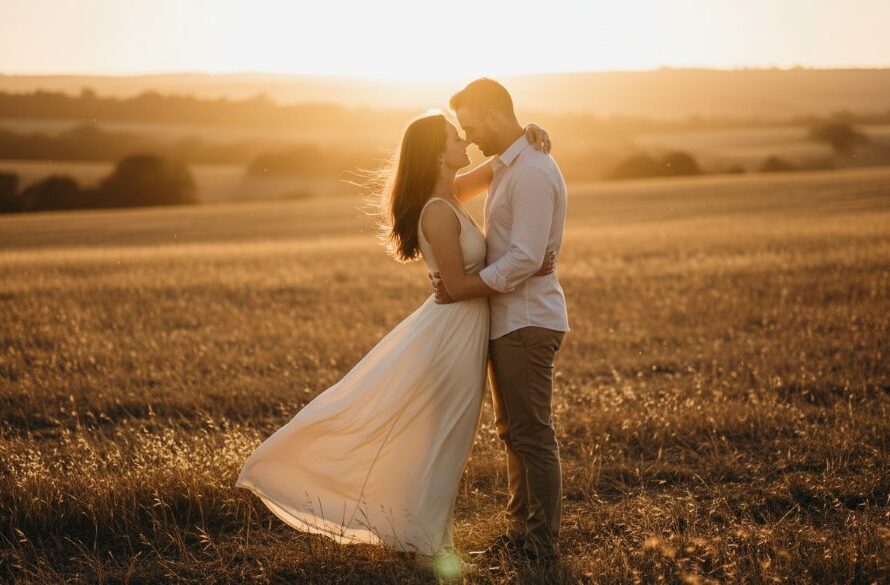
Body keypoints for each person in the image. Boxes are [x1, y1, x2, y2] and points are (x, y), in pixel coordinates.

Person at [235, 111, 553, 567]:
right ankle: (425, 541)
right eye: (452, 136)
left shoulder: (450, 194)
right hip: (451, 336)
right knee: (442, 436)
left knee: (449, 437)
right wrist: (527, 266)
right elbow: (458, 288)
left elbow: (502, 164)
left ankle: (423, 535)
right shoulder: (438, 211)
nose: (463, 140)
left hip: (464, 332)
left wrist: (528, 134)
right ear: (437, 153)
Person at [432, 78, 570, 562]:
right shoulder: (512, 164)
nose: (467, 138)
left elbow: (527, 257)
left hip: (528, 320)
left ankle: (540, 540)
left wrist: (465, 286)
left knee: (531, 433)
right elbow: (521, 249)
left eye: (470, 126)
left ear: (493, 114)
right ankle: (521, 528)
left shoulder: (530, 171)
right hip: (509, 318)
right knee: (513, 430)